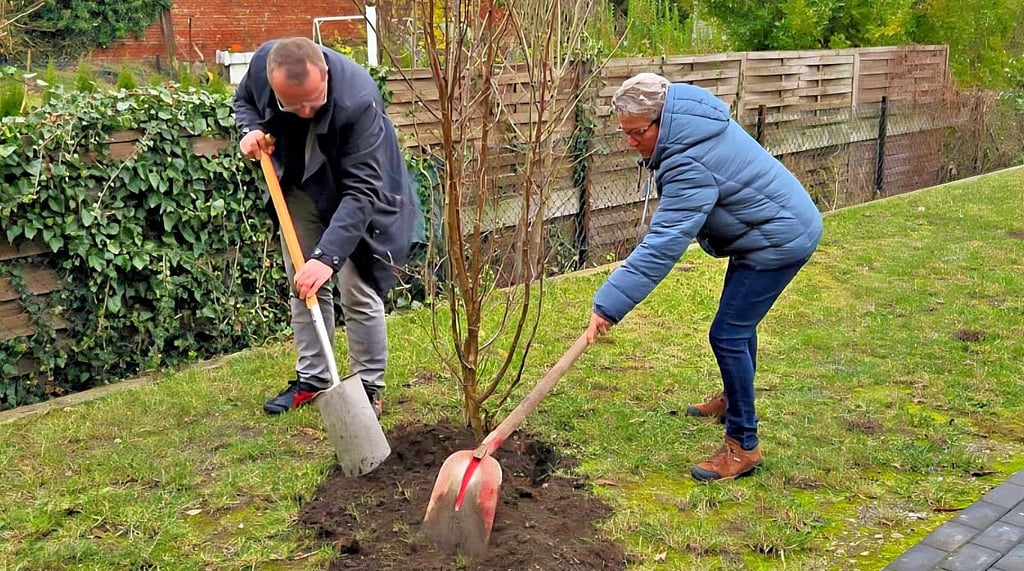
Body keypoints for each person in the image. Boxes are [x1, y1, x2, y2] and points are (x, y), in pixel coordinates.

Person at [585, 73, 823, 482]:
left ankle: (743, 445)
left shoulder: (689, 159)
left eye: (637, 132)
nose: (630, 142)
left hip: (779, 238)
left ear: (660, 120)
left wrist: (609, 304)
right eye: (624, 133)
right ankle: (735, 400)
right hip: (764, 230)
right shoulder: (692, 125)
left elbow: (663, 243)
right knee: (737, 326)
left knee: (728, 333)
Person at [234, 37, 416, 417]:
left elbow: (363, 190)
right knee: (303, 282)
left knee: (357, 284)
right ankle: (313, 379)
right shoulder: (263, 64)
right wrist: (249, 130)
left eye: (313, 101)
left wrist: (328, 258)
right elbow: (245, 103)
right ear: (273, 83)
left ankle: (367, 387)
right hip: (302, 186)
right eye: (292, 104)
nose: (304, 112)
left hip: (355, 191)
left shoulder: (358, 99)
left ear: (327, 75)